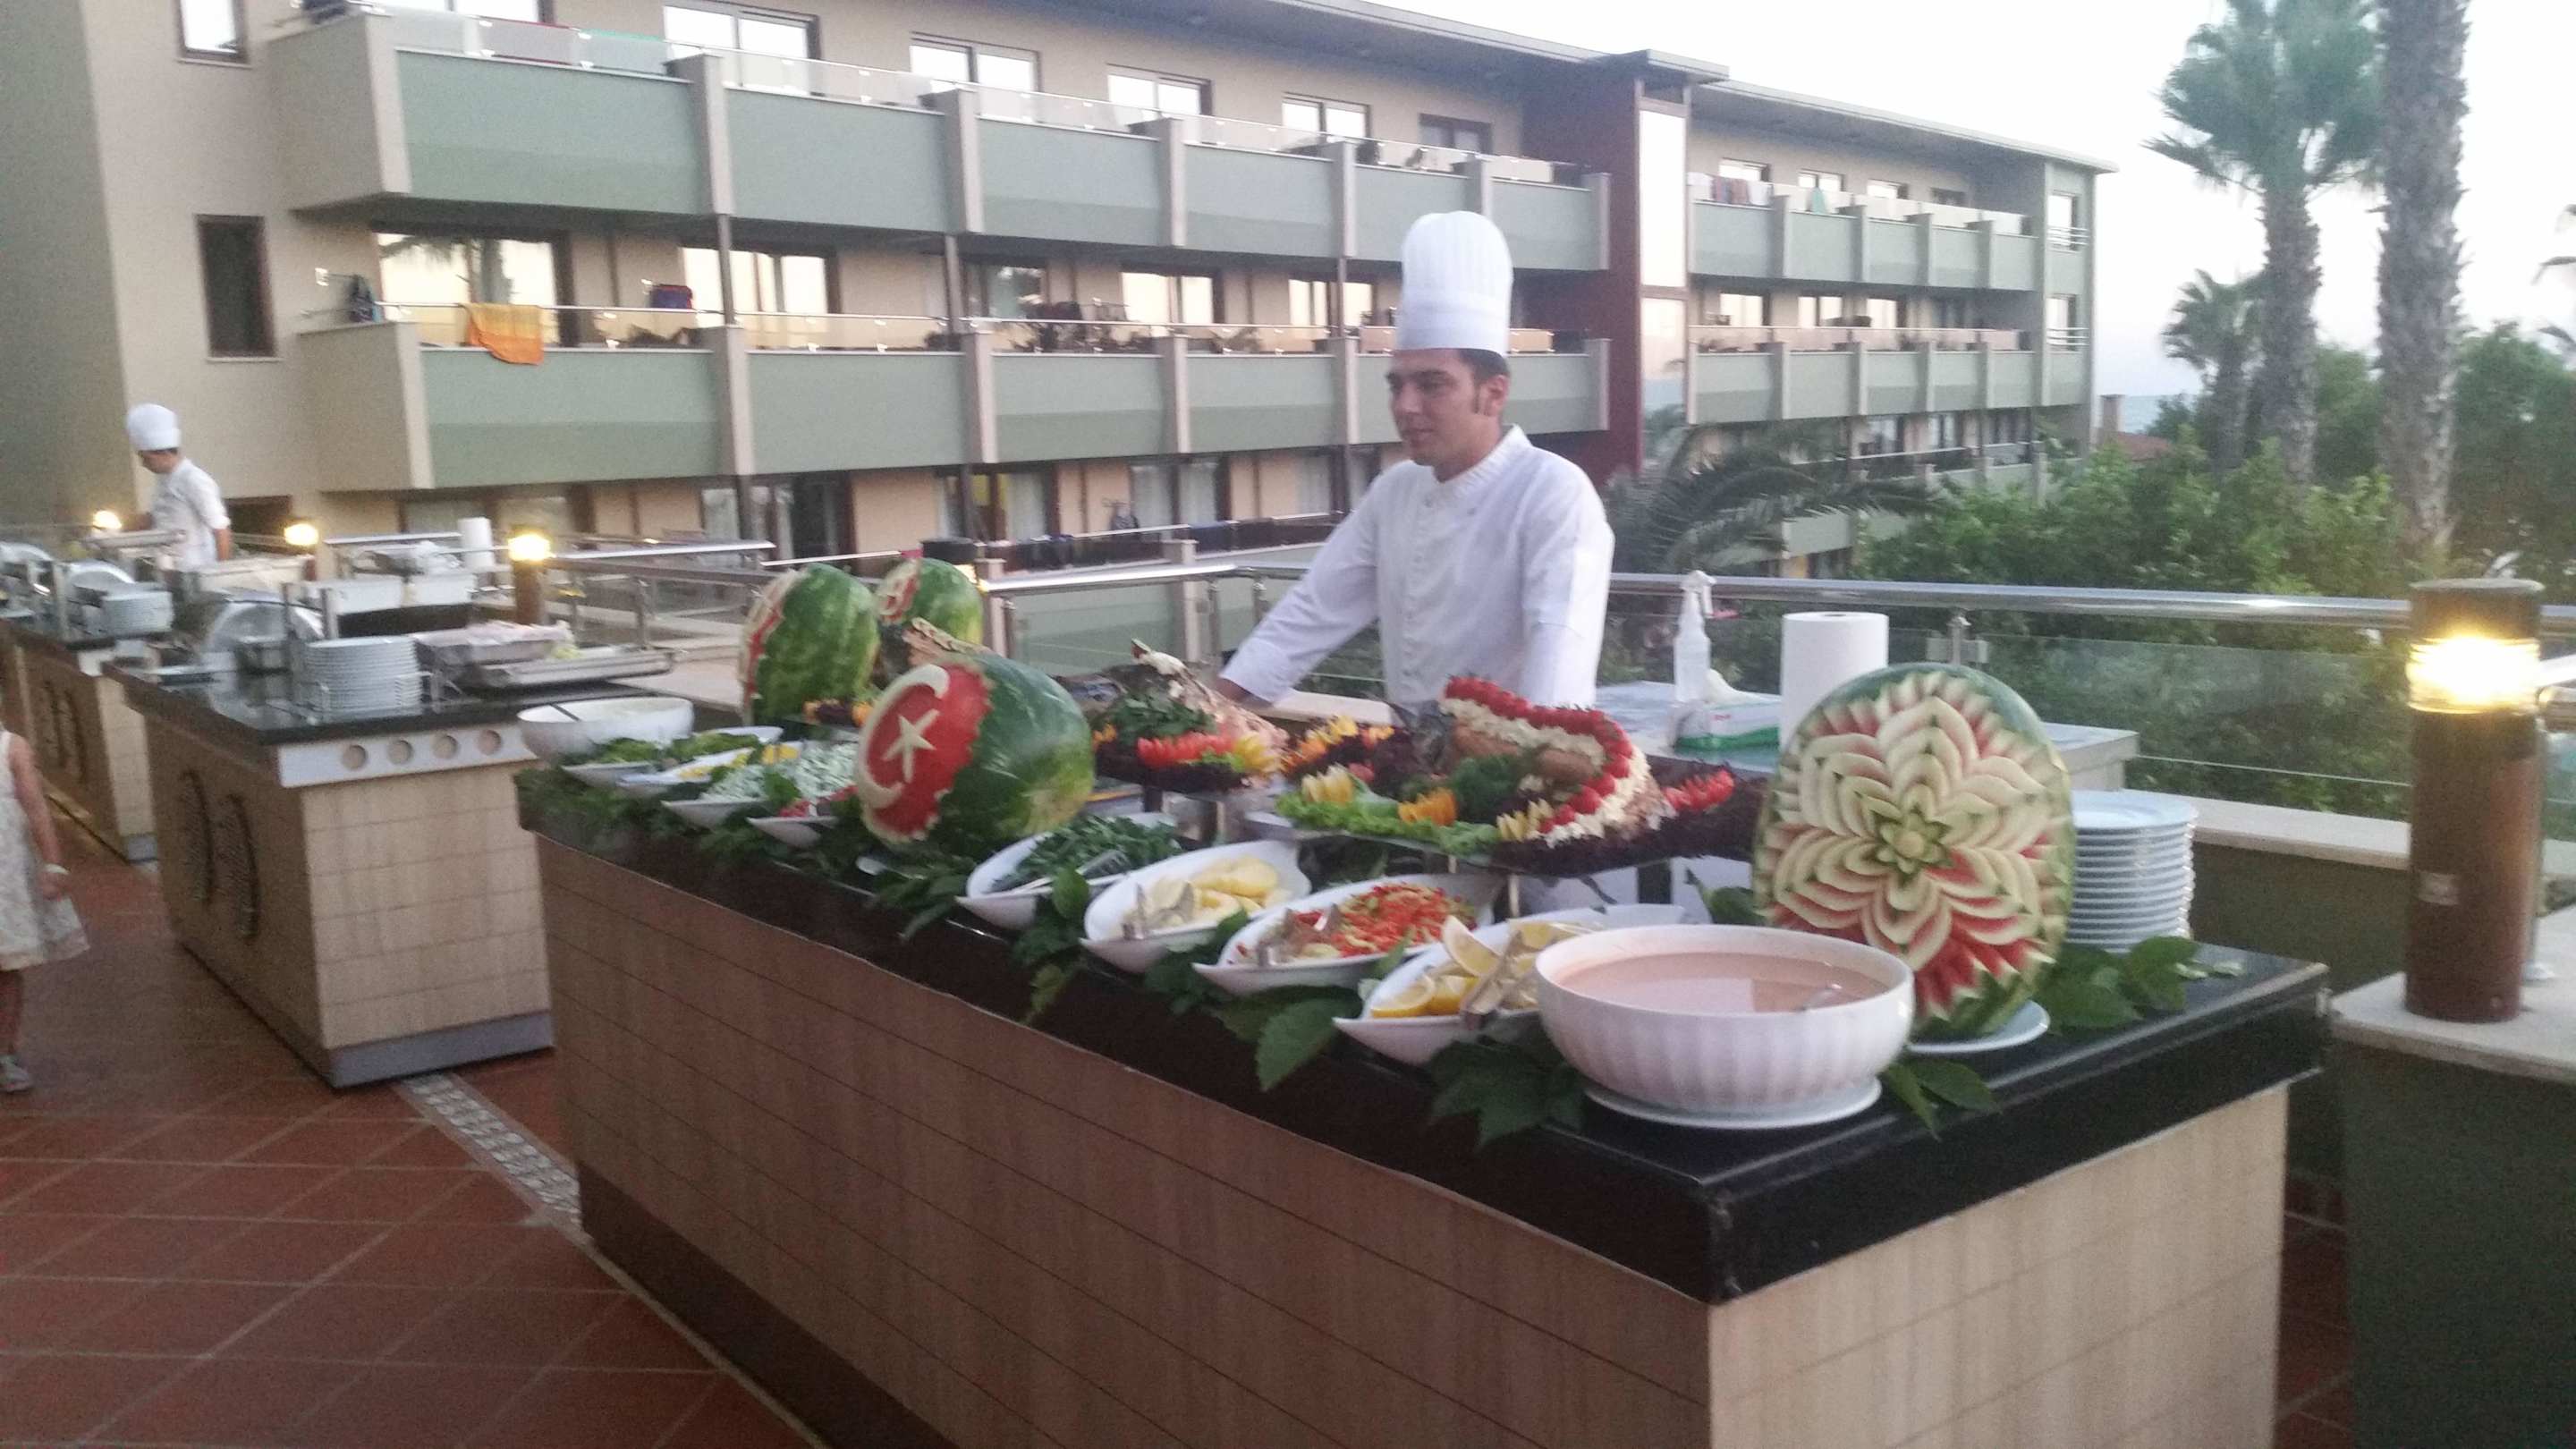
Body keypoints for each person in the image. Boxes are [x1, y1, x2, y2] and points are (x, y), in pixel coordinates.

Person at [1217, 212, 1611, 709]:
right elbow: (1309, 614)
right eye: (1396, 385)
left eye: (1431, 385)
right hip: (1409, 752)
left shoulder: (1553, 491)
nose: (1405, 406)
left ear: (1493, 394)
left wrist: (1525, 753)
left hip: (1516, 753)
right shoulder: (1395, 491)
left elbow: (1559, 657)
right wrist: (1208, 710)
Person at [0, 725, 89, 1094]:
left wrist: (53, 864)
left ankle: (5, 1051)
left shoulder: (11, 747)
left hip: (5, 880)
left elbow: (36, 807)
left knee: (5, 967)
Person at [123, 403, 233, 569]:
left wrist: (221, 572)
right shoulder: (163, 479)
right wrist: (117, 533)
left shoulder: (194, 479)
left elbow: (220, 529)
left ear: (164, 453)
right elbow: (155, 518)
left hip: (195, 567)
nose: (143, 464)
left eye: (146, 458)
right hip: (166, 565)